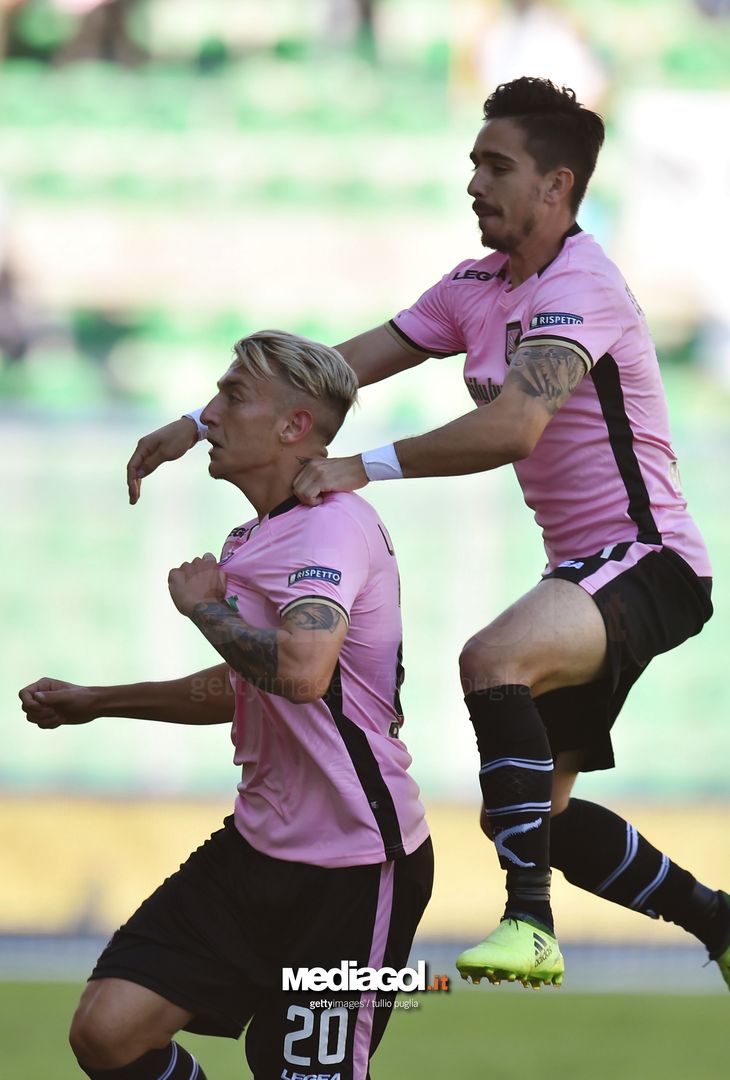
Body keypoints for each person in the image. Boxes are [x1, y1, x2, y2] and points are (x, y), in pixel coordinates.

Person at [124, 78, 730, 991]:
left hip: (651, 559)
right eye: (473, 163)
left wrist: (362, 465)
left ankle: (529, 924)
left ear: (557, 185)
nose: (475, 183)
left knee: (493, 659)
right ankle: (716, 920)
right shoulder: (473, 288)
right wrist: (196, 420)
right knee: (534, 816)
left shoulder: (582, 286)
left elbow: (513, 426)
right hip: (586, 571)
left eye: (498, 166)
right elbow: (329, 373)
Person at [21, 330, 433, 1079]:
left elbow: (303, 672)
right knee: (109, 1031)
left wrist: (203, 610)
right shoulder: (255, 536)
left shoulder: (331, 526)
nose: (209, 414)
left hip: (354, 864)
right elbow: (250, 682)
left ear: (294, 426)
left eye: (232, 395)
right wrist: (98, 701)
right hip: (256, 847)